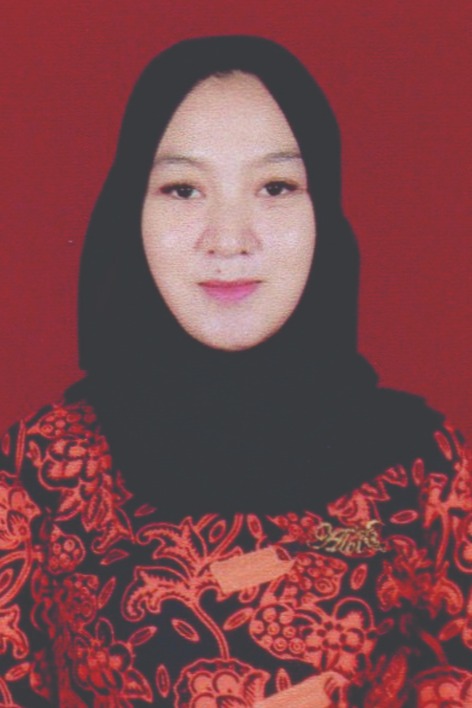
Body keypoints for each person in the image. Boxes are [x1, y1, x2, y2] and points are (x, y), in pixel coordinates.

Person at [0, 35, 470, 707]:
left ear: (323, 209)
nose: (228, 238)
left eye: (275, 187)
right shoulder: (41, 476)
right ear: (130, 210)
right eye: (183, 189)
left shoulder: (426, 472)